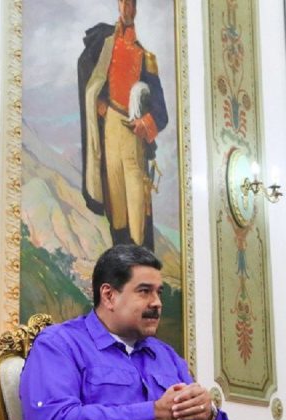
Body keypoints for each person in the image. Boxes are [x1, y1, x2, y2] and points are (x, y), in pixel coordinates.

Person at [19, 245, 232, 420]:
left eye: (159, 292)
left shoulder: (167, 356)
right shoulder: (59, 345)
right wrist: (152, 413)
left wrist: (208, 416)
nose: (157, 303)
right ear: (109, 296)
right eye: (144, 291)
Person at [78, 0, 169, 250]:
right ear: (119, 5)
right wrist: (99, 100)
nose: (127, 9)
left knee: (137, 205)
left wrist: (144, 124)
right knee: (115, 203)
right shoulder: (105, 43)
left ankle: (139, 258)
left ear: (135, 9)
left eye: (131, 4)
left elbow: (161, 113)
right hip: (110, 128)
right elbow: (88, 72)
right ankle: (119, 260)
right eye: (124, 3)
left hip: (133, 134)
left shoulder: (145, 57)